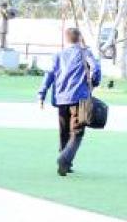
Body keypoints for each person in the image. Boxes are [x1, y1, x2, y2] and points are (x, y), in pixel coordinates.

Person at [39, 27, 101, 176]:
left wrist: (41, 95)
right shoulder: (86, 52)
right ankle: (64, 159)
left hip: (61, 98)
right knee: (77, 133)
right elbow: (96, 68)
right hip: (82, 98)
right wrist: (94, 82)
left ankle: (66, 162)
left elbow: (48, 76)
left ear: (66, 39)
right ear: (79, 38)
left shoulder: (58, 55)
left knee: (64, 131)